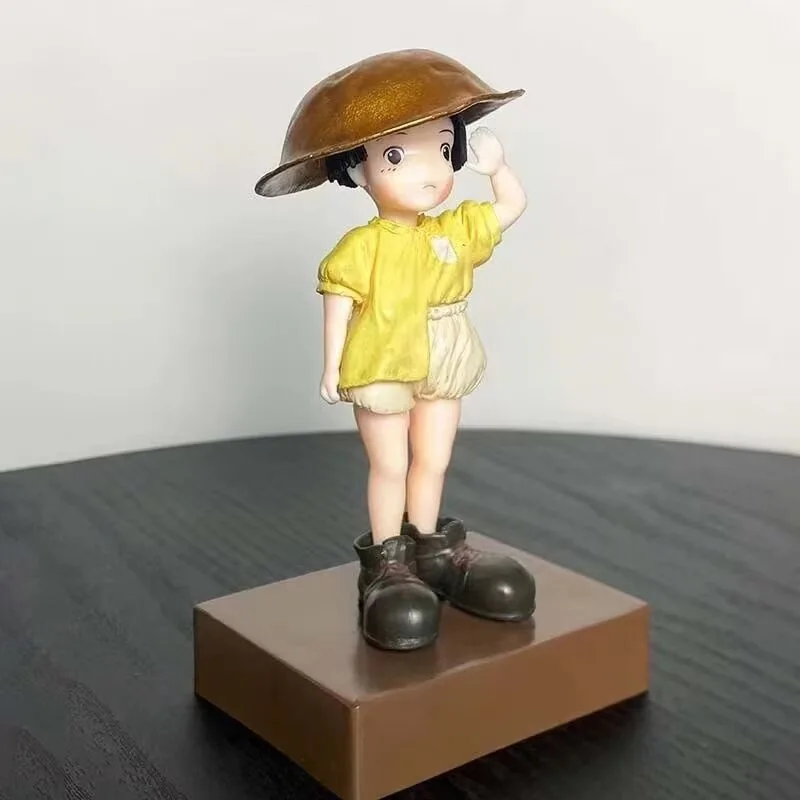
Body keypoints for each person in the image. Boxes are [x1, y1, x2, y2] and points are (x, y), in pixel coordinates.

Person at [255, 49, 536, 651]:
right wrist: (331, 364)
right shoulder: (363, 246)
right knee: (391, 464)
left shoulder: (452, 229)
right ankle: (387, 561)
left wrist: (498, 169)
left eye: (443, 148)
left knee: (433, 457)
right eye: (396, 156)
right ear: (358, 170)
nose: (430, 173)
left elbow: (510, 208)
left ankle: (432, 548)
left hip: (445, 348)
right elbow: (338, 299)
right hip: (383, 357)